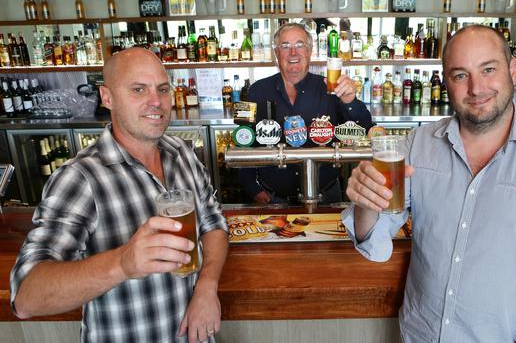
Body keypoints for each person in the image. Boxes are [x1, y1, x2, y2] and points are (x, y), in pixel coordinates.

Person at [343, 25, 516, 342]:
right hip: (420, 335)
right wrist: (365, 205)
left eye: (488, 69)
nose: (476, 88)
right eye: (460, 75)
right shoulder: (417, 144)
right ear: (446, 81)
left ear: (512, 70)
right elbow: (375, 242)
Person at [10, 48, 229, 343]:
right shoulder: (81, 178)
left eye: (162, 89)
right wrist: (122, 263)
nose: (156, 102)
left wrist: (206, 287)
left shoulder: (182, 153)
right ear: (107, 97)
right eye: (139, 89)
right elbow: (26, 298)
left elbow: (214, 224)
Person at [240, 22, 373, 205]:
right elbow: (242, 139)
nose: (293, 53)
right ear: (276, 53)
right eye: (285, 46)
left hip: (326, 197)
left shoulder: (332, 89)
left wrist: (350, 101)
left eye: (300, 45)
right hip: (273, 199)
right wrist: (252, 188)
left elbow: (365, 129)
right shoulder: (254, 91)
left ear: (310, 51)